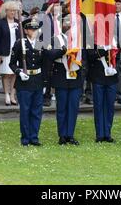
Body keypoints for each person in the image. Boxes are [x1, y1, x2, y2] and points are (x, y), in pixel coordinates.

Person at [46, 15, 84, 145]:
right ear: (62, 24)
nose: (69, 25)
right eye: (66, 22)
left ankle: (70, 134)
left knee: (73, 107)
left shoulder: (79, 40)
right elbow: (49, 55)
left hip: (75, 77)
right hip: (61, 76)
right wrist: (63, 51)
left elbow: (85, 58)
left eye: (71, 23)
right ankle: (62, 135)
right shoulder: (56, 39)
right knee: (62, 107)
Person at [9, 18, 45, 146]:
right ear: (25, 30)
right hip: (24, 82)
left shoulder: (41, 43)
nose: (34, 31)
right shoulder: (20, 44)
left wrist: (44, 81)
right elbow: (12, 63)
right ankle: (25, 138)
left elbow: (44, 63)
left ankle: (34, 137)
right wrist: (19, 72)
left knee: (36, 111)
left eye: (35, 29)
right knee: (25, 111)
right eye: (31, 29)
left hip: (38, 81)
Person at [87, 41, 119, 143]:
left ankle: (108, 133)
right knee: (99, 106)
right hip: (98, 76)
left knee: (110, 106)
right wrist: (103, 50)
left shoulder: (114, 39)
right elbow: (89, 55)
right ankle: (100, 134)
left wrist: (116, 69)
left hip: (112, 77)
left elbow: (120, 57)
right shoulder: (93, 40)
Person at [0, 1, 21, 106]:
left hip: (16, 51)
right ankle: (6, 94)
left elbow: (21, 37)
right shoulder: (1, 22)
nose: (13, 12)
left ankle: (12, 95)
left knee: (15, 73)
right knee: (6, 74)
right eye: (11, 10)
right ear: (6, 11)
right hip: (5, 51)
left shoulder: (18, 22)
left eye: (15, 11)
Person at [41, 0, 62, 107]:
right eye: (55, 5)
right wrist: (47, 12)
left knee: (57, 71)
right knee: (47, 73)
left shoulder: (60, 18)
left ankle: (57, 94)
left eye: (58, 5)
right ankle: (46, 95)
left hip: (59, 48)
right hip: (48, 48)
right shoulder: (46, 17)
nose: (57, 7)